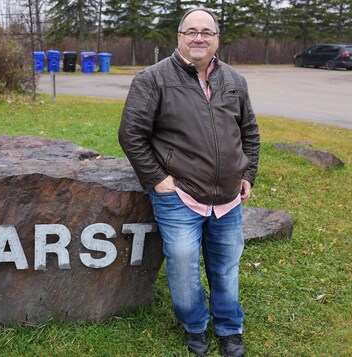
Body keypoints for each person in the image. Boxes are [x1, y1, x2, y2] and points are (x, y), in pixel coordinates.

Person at [118, 8, 260, 357]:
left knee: (225, 266)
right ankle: (195, 325)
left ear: (216, 39)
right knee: (183, 263)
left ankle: (229, 328)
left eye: (207, 32)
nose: (199, 37)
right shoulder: (152, 79)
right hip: (178, 194)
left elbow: (250, 133)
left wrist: (247, 174)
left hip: (227, 197)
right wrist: (157, 179)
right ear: (179, 37)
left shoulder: (234, 81)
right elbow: (131, 134)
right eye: (192, 31)